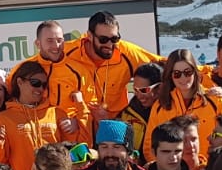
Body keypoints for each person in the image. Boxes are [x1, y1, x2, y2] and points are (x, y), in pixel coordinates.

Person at [50, 10, 161, 140]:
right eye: (103, 39)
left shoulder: (126, 52)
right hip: (79, 133)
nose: (109, 44)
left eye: (115, 39)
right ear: (89, 36)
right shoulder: (65, 54)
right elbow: (30, 69)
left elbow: (166, 66)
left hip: (115, 134)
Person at [0, 60, 60, 170]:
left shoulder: (57, 113)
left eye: (44, 84)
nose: (40, 89)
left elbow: (74, 155)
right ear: (19, 82)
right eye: (35, 83)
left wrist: (76, 123)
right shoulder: (2, 119)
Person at [145, 49, 222, 165]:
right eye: (177, 74)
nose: (183, 78)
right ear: (170, 75)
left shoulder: (216, 101)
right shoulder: (160, 106)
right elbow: (149, 146)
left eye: (187, 72)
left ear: (195, 72)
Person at [118, 61, 164, 156]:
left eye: (144, 90)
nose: (139, 96)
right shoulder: (126, 115)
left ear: (159, 88)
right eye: (135, 90)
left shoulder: (173, 111)